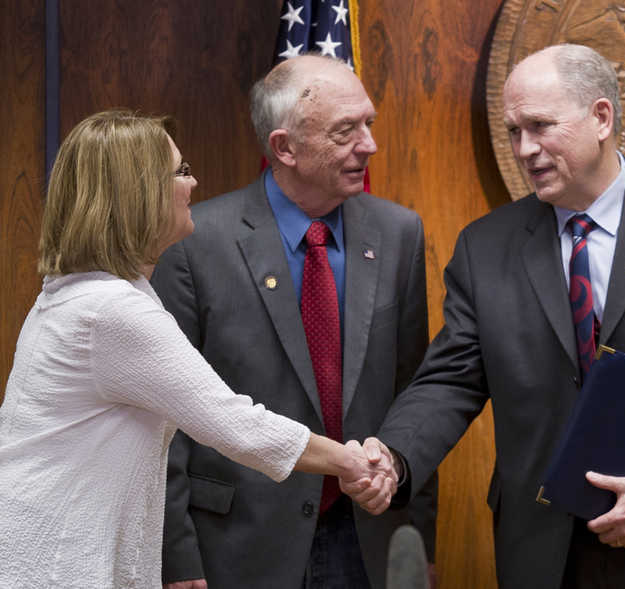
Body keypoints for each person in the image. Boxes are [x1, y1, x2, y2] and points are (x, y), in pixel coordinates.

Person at [375, 44, 625, 588]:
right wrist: (396, 454)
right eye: (513, 132)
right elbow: (451, 379)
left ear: (601, 117)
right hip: (550, 550)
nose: (526, 148)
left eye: (541, 126)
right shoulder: (485, 247)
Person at [0, 110, 395, 589]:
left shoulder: (83, 293)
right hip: (56, 559)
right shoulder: (110, 311)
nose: (194, 183)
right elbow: (234, 424)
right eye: (181, 172)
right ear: (141, 193)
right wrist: (350, 462)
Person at [152, 54, 436, 589]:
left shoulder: (399, 233)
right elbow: (168, 417)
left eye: (368, 124)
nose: (368, 145)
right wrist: (177, 556)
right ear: (284, 147)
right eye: (345, 131)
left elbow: (415, 393)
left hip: (368, 536)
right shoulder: (195, 242)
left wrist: (416, 536)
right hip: (239, 543)